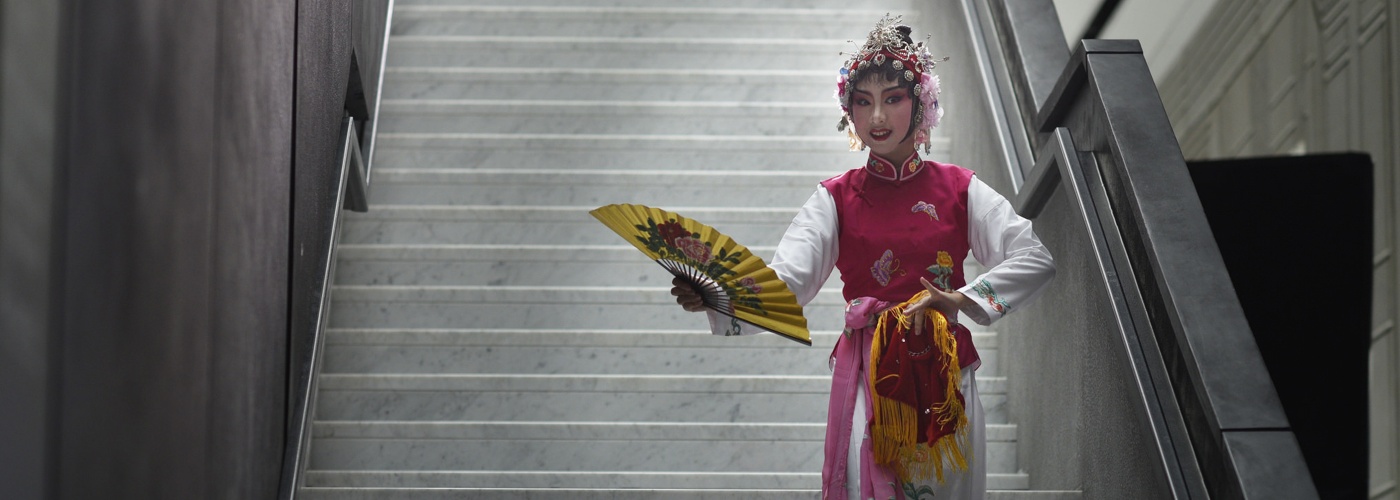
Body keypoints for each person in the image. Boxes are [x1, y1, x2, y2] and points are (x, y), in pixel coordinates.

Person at [671, 15, 1056, 500]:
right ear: (849, 113)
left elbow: (1035, 258)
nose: (877, 117)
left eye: (893, 99)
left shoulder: (960, 190)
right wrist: (715, 296)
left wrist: (959, 299)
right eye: (863, 102)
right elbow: (786, 280)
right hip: (868, 375)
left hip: (945, 373)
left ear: (920, 107)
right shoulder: (835, 198)